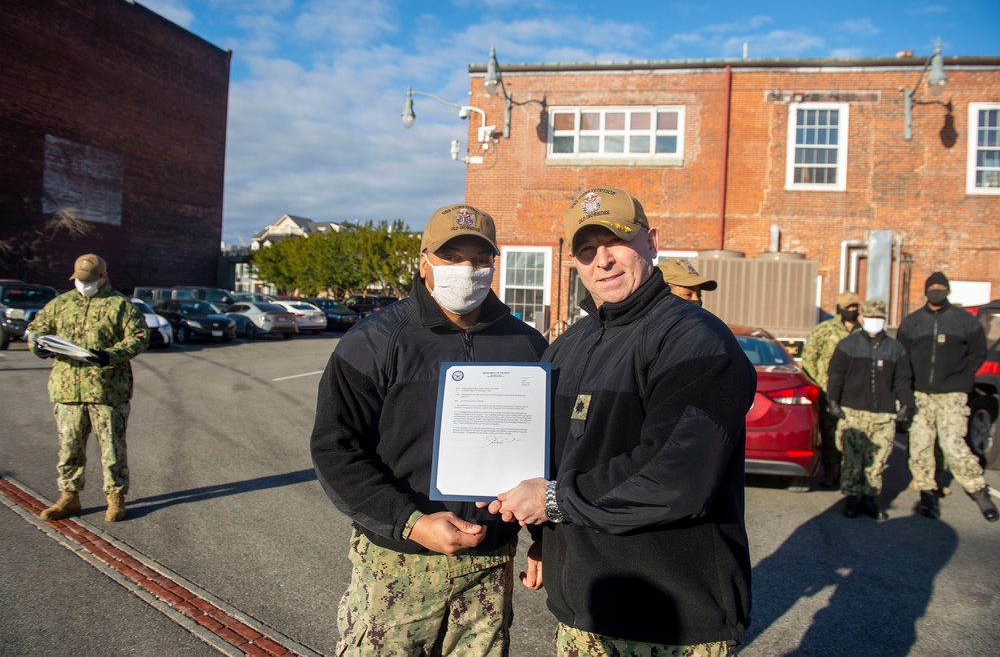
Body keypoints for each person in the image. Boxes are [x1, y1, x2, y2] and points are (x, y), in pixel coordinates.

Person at [481, 187, 757, 656]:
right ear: (575, 263)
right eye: (587, 250)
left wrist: (551, 501)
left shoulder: (695, 339)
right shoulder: (570, 346)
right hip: (583, 615)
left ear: (652, 241)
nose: (603, 260)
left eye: (616, 242)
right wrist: (545, 537)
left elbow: (676, 476)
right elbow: (554, 457)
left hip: (669, 624)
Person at [309, 205, 548, 656]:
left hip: (489, 567)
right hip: (397, 567)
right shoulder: (374, 341)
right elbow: (334, 449)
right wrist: (410, 522)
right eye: (451, 256)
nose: (467, 270)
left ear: (494, 265)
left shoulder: (527, 345)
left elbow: (547, 453)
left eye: (479, 260)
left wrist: (546, 537)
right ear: (423, 262)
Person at [27, 253, 149, 522]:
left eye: (89, 280)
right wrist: (37, 344)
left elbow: (139, 338)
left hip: (107, 391)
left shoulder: (120, 306)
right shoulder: (61, 303)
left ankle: (115, 498)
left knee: (112, 449)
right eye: (79, 280)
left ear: (103, 277)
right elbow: (37, 327)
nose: (83, 284)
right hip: (68, 390)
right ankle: (69, 497)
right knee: (69, 447)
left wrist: (110, 354)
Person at [897, 272, 998, 522]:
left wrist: (961, 377)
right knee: (920, 446)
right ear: (926, 290)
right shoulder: (912, 322)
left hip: (952, 394)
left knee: (953, 444)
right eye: (933, 287)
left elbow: (977, 354)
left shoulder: (965, 321)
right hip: (921, 393)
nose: (937, 291)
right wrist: (905, 392)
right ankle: (927, 493)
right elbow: (902, 357)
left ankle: (978, 490)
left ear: (948, 290)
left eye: (942, 287)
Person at [825, 300, 914, 521]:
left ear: (884, 320)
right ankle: (852, 497)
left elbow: (903, 380)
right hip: (853, 411)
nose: (874, 322)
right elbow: (836, 376)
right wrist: (833, 401)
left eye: (879, 318)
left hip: (883, 414)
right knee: (853, 458)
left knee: (878, 459)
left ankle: (871, 497)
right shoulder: (848, 345)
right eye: (871, 317)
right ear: (862, 318)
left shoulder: (895, 348)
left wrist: (906, 404)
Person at [801, 291, 861, 487]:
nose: (851, 311)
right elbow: (809, 358)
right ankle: (829, 471)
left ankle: (848, 473)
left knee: (853, 436)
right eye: (847, 307)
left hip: (854, 394)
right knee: (829, 435)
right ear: (839, 308)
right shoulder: (825, 330)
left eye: (854, 307)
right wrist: (819, 383)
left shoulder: (863, 333)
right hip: (828, 392)